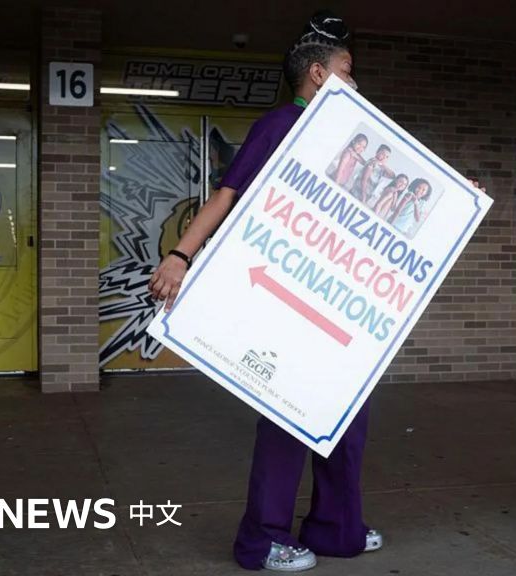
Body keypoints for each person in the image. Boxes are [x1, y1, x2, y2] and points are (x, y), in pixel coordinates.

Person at [147, 10, 381, 573]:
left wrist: (455, 202)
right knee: (289, 419)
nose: (356, 80)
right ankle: (263, 539)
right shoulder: (279, 126)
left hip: (345, 305)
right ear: (319, 74)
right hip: (289, 302)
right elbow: (227, 195)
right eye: (348, 68)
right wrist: (180, 256)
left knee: (347, 420)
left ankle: (336, 528)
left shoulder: (354, 137)